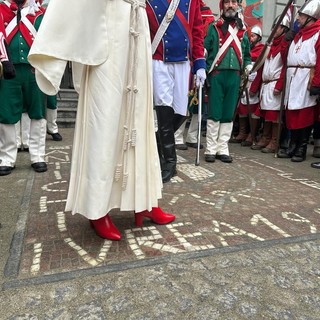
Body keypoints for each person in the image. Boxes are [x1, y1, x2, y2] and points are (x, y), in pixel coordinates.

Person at [28, 0, 175, 241]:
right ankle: (96, 208)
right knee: (103, 123)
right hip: (109, 32)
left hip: (138, 28)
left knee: (141, 119)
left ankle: (145, 201)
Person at [146, 0, 206, 182]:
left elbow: (197, 30)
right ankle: (170, 163)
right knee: (164, 110)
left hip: (183, 61)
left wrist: (200, 63)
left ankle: (155, 143)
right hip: (158, 59)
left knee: (181, 112)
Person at [0, 0, 47, 176]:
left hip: (34, 70)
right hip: (8, 71)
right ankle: (7, 158)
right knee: (7, 113)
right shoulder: (2, 11)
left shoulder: (39, 13)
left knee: (37, 112)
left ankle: (38, 156)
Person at [204, 0, 252, 163]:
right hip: (217, 74)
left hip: (235, 76)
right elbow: (206, 49)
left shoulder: (243, 30)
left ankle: (222, 147)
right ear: (222, 6)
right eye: (227, 2)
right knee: (215, 111)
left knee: (228, 113)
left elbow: (246, 54)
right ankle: (210, 148)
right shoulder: (213, 27)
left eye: (233, 2)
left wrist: (247, 66)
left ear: (237, 6)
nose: (230, 5)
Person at [279, 0, 320, 162]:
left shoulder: (317, 34)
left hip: (305, 77)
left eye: (302, 16)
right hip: (293, 77)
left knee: (303, 113)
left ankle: (301, 148)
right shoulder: (298, 35)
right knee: (291, 113)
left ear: (311, 17)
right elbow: (285, 58)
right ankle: (293, 145)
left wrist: (317, 82)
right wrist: (285, 42)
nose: (298, 19)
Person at [174, 0, 214, 151]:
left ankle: (192, 136)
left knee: (199, 105)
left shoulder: (210, 18)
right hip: (188, 62)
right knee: (183, 101)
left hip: (201, 64)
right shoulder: (186, 5)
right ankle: (177, 136)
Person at [250, 16, 291, 153]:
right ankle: (265, 138)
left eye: (276, 27)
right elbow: (261, 67)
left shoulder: (285, 46)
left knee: (274, 115)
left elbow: (285, 67)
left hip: (275, 84)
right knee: (266, 113)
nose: (273, 29)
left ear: (283, 28)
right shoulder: (270, 45)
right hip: (266, 84)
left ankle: (274, 141)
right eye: (273, 27)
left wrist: (280, 85)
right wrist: (255, 87)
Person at [230, 24, 264, 147]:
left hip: (253, 82)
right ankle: (242, 133)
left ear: (259, 37)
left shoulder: (261, 50)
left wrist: (254, 87)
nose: (251, 39)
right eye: (250, 36)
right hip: (244, 81)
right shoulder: (245, 49)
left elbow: (260, 70)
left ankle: (252, 134)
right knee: (242, 109)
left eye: (253, 36)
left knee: (253, 110)